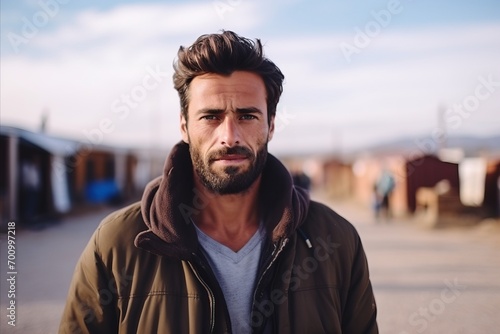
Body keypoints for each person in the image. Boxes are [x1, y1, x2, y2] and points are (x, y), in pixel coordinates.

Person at [59, 31, 378, 333]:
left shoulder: (335, 241)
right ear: (184, 127)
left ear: (271, 127)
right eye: (210, 116)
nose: (229, 136)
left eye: (247, 116)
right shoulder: (117, 244)